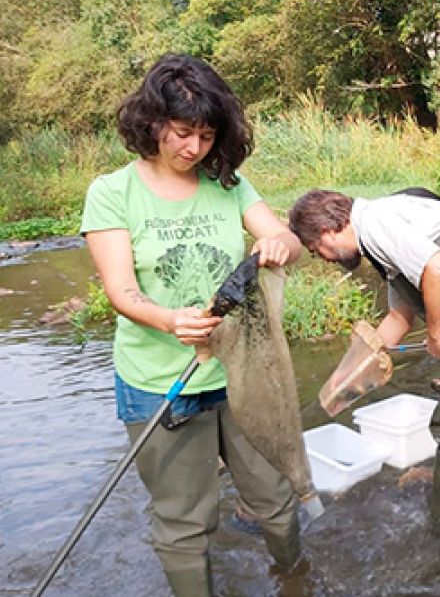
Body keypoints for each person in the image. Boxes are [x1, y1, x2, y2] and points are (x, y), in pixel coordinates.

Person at [81, 53, 304, 595]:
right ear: (151, 123)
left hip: (241, 376)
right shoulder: (113, 193)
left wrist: (280, 242)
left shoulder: (227, 183)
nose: (194, 148)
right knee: (184, 522)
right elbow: (121, 291)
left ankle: (295, 578)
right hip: (162, 384)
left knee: (275, 497)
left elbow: (288, 241)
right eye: (183, 132)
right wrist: (170, 320)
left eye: (206, 135)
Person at [288, 188, 440, 523]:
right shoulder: (381, 228)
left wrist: (436, 335)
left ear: (326, 231)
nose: (324, 258)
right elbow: (398, 319)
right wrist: (347, 377)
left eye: (316, 250)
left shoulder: (376, 223)